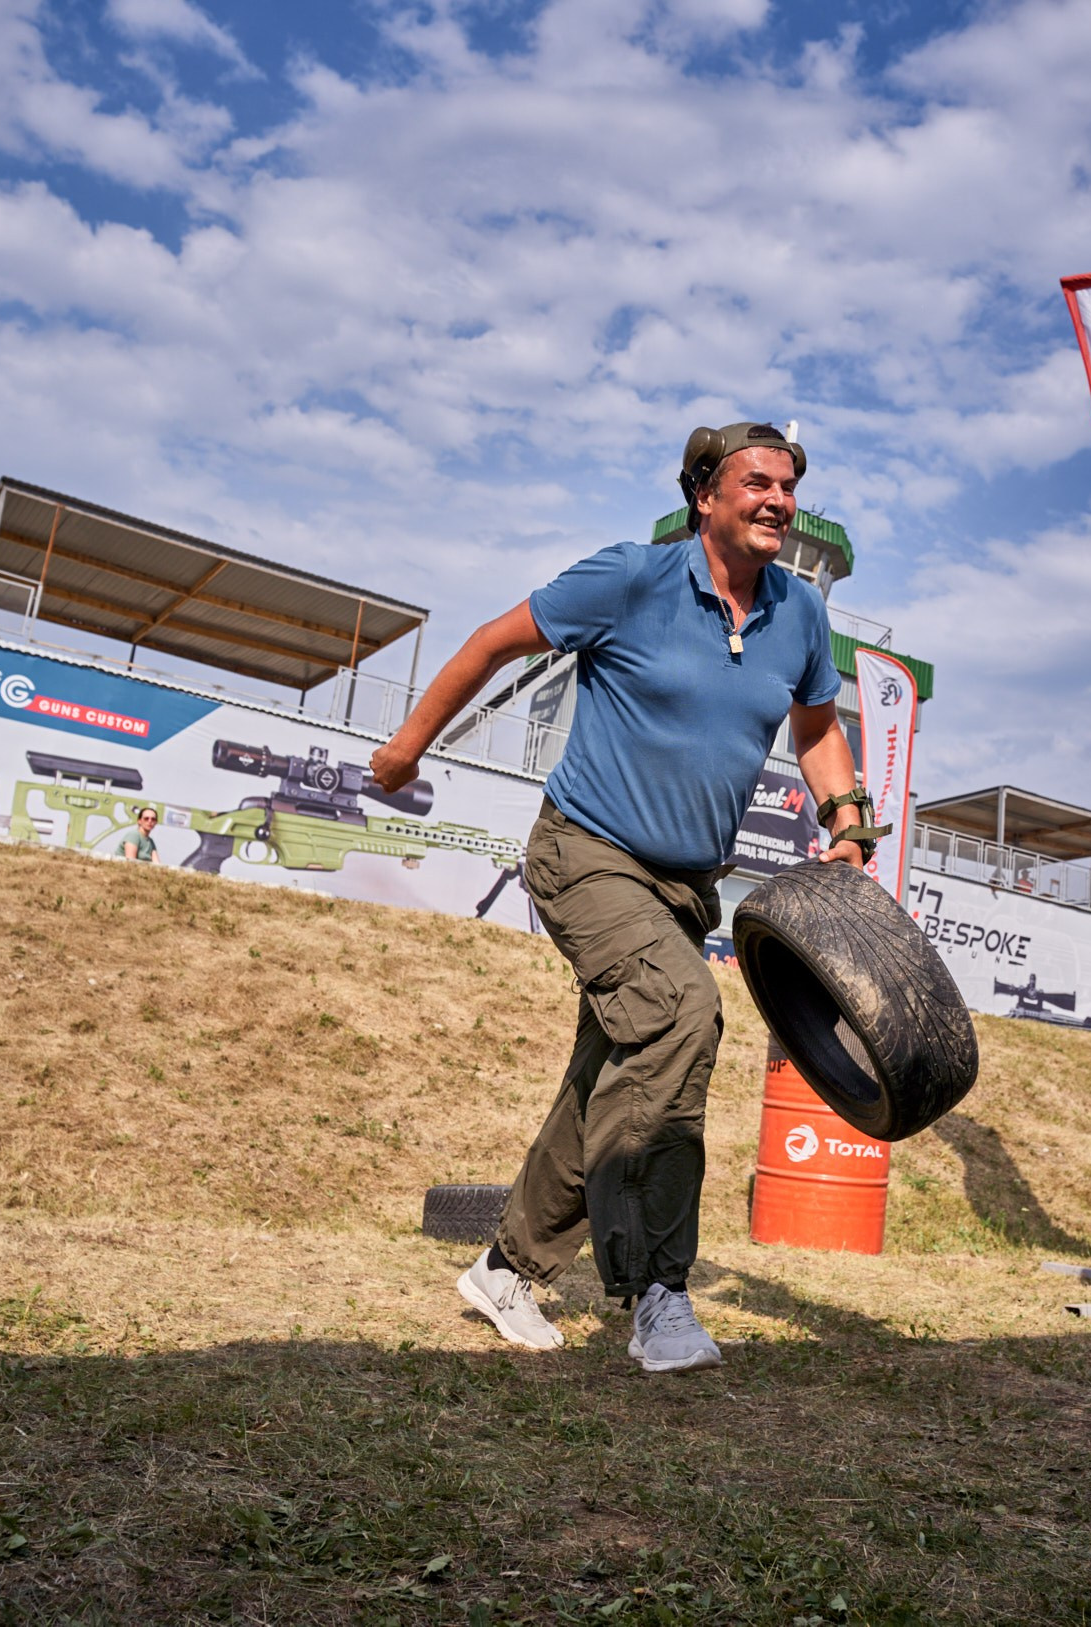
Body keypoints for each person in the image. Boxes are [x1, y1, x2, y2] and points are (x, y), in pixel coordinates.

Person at [369, 421, 884, 1374]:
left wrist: (846, 820)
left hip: (686, 890)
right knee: (683, 1016)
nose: (779, 500)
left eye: (790, 487)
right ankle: (655, 1289)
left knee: (608, 1075)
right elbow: (493, 641)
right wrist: (407, 747)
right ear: (706, 497)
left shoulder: (800, 615)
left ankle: (507, 1265)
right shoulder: (633, 579)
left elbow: (815, 725)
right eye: (758, 482)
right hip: (587, 854)